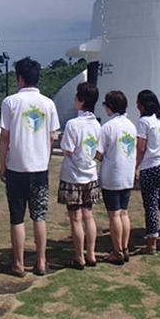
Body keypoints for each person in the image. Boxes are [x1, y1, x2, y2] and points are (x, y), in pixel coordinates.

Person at [0, 57, 60, 277]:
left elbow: (4, 137)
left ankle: (18, 263)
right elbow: (53, 137)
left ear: (20, 78)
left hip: (16, 166)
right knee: (39, 216)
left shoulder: (10, 102)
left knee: (17, 217)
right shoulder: (48, 104)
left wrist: (2, 164)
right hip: (39, 168)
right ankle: (42, 261)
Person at [58, 82, 102, 269]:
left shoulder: (73, 124)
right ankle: (91, 254)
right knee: (88, 216)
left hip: (73, 176)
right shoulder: (97, 124)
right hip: (90, 173)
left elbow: (67, 149)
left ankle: (79, 256)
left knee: (75, 218)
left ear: (81, 100)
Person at [96, 90, 137, 265]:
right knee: (123, 213)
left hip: (112, 175)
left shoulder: (108, 127)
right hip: (127, 174)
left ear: (110, 107)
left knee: (114, 215)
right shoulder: (131, 125)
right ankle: (124, 247)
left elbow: (98, 153)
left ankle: (117, 250)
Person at [135, 90, 160, 255]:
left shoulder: (144, 121)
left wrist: (135, 167)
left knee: (151, 205)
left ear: (143, 104)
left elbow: (141, 147)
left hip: (152, 165)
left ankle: (151, 242)